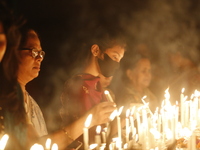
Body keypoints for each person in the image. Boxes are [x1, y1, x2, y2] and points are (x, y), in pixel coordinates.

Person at [16, 27, 117, 149]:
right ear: (12, 52)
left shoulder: (29, 100)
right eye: (33, 51)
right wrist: (91, 119)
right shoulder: (9, 98)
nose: (39, 58)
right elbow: (33, 146)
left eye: (41, 53)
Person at [60, 29, 126, 145]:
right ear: (96, 50)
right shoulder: (77, 86)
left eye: (120, 60)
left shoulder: (98, 86)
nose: (117, 65)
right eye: (115, 57)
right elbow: (85, 134)